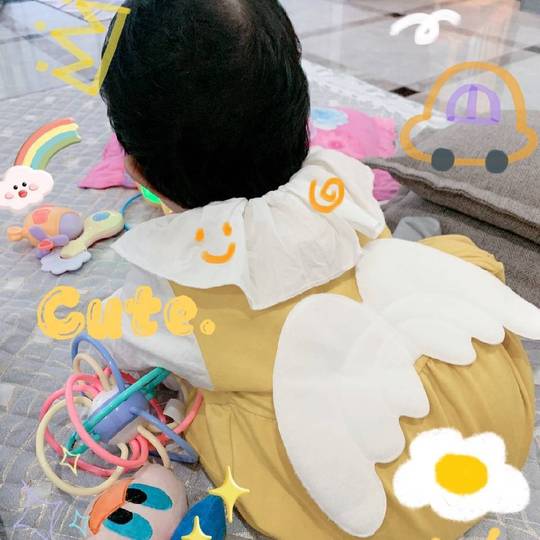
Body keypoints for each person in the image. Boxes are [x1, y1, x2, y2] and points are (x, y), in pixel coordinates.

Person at [101, 1, 536, 538]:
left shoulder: (171, 283)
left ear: (139, 173)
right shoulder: (340, 190)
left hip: (366, 502)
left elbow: (121, 345)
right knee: (409, 262)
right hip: (491, 417)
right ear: (302, 119)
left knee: (203, 391)